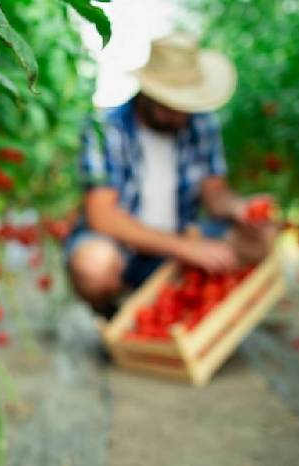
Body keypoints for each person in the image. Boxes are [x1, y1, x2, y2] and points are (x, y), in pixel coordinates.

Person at [66, 33, 276, 319]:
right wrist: (186, 247)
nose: (179, 115)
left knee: (262, 235)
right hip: (126, 250)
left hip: (181, 242)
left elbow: (215, 193)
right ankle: (115, 313)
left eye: (185, 106)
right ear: (148, 92)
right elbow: (102, 215)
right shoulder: (105, 129)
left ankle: (191, 305)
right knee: (93, 265)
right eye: (169, 105)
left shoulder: (201, 125)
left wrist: (238, 208)